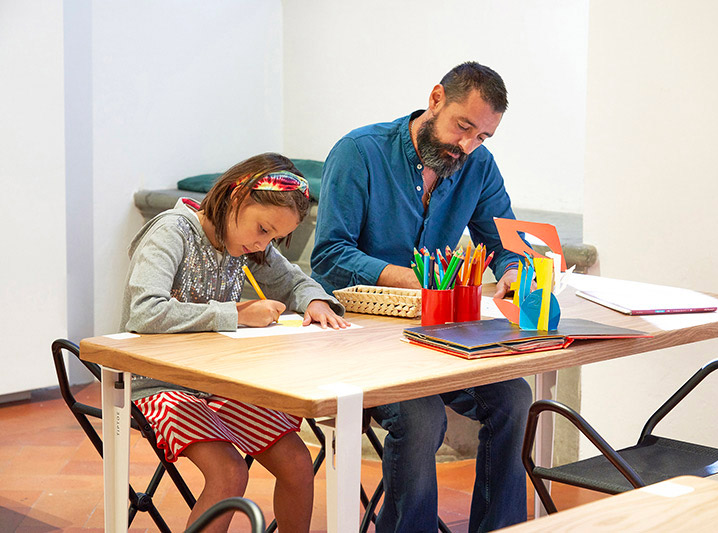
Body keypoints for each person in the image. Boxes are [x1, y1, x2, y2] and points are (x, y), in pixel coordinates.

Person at [311, 62, 531, 532]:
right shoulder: (359, 153)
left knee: (514, 396)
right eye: (463, 127)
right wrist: (406, 277)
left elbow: (504, 243)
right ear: (435, 99)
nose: (467, 145)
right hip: (359, 338)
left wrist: (513, 272)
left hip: (435, 335)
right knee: (421, 414)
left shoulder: (478, 165)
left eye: (482, 137)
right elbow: (328, 256)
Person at [121, 152, 349, 532]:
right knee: (228, 472)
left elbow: (293, 281)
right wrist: (236, 314)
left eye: (274, 238)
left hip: (218, 382)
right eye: (262, 229)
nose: (263, 245)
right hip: (155, 384)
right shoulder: (173, 230)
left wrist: (315, 300)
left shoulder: (246, 243)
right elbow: (144, 312)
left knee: (296, 462)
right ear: (237, 196)